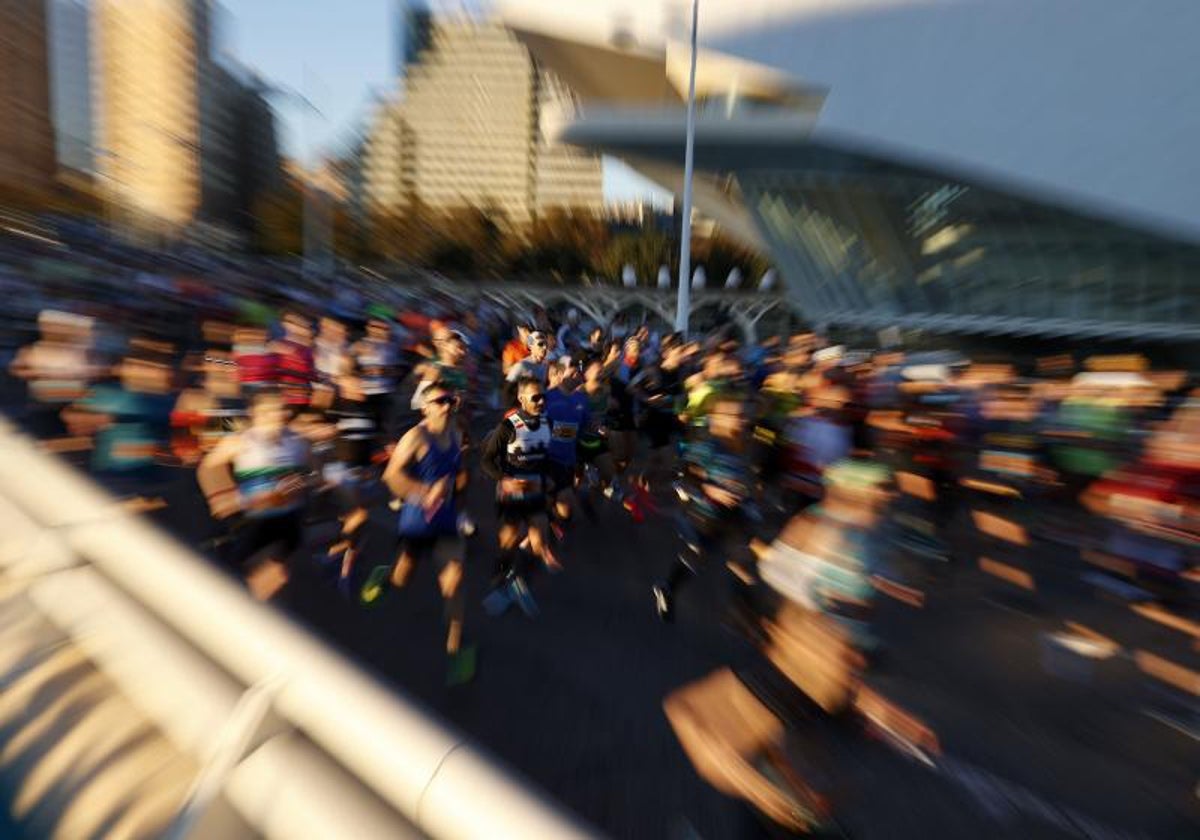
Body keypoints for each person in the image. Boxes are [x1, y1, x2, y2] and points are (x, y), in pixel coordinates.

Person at [367, 380, 474, 683]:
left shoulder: (456, 433)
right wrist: (426, 491)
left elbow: (458, 473)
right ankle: (386, 576)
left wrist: (460, 502)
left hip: (447, 519)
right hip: (416, 521)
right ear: (425, 407)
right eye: (440, 401)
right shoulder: (414, 438)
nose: (447, 406)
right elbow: (391, 477)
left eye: (451, 400)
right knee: (403, 577)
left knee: (455, 580)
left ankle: (455, 650)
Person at [198, 388, 316, 601]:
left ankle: (244, 609)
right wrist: (220, 500)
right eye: (267, 411)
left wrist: (302, 483)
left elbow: (312, 472)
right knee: (231, 574)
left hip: (288, 520)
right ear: (254, 414)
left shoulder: (298, 442)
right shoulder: (240, 441)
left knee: (276, 577)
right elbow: (207, 468)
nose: (275, 416)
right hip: (251, 520)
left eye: (279, 410)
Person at [653, 390, 755, 622]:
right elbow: (686, 476)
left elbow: (744, 478)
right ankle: (667, 588)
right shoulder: (707, 446)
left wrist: (748, 494)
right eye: (735, 415)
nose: (741, 420)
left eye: (742, 415)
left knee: (742, 559)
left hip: (733, 514)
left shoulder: (742, 444)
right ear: (716, 417)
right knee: (696, 557)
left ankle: (744, 611)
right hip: (704, 515)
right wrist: (711, 489)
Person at [480, 376, 557, 616]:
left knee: (539, 539)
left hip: (535, 491)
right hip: (510, 495)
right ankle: (500, 571)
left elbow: (544, 457)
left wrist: (549, 480)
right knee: (509, 542)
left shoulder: (549, 422)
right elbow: (487, 461)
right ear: (521, 398)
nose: (541, 401)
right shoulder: (509, 426)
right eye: (535, 397)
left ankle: (518, 580)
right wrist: (505, 479)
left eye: (543, 396)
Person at [544, 357, 590, 529]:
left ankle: (553, 522)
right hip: (547, 460)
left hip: (568, 460)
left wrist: (598, 429)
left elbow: (584, 427)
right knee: (550, 499)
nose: (577, 370)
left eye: (579, 366)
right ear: (560, 373)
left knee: (565, 510)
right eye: (572, 367)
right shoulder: (546, 398)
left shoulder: (582, 399)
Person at [504, 329, 550, 406]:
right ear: (531, 346)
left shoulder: (545, 365)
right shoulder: (522, 366)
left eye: (546, 344)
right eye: (540, 344)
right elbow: (506, 390)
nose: (545, 347)